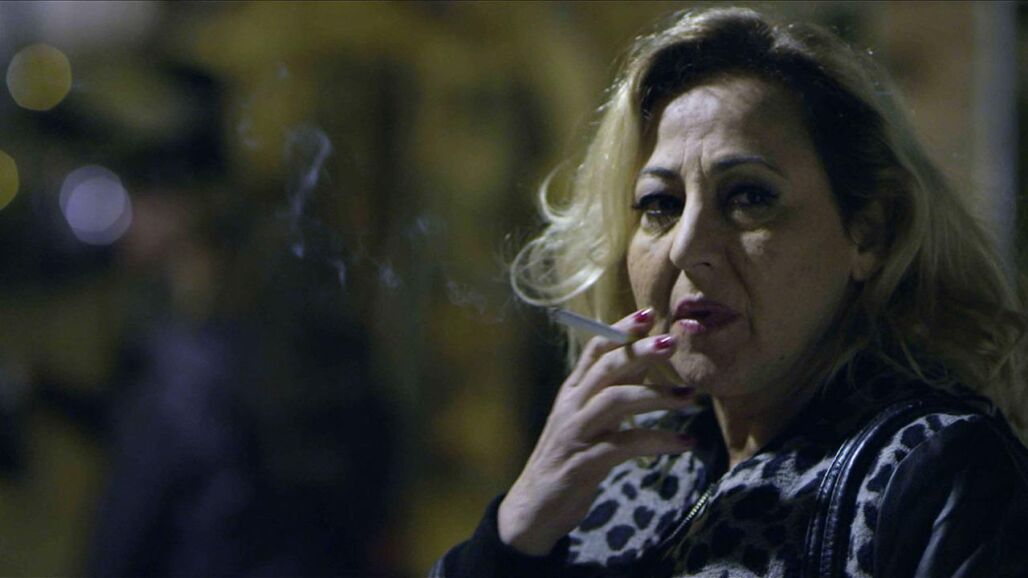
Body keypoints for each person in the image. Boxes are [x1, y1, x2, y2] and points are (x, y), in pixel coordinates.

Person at [431, 6, 1028, 578]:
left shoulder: (936, 470)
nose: (686, 247)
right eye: (660, 205)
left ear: (867, 232)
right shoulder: (622, 474)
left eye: (748, 197)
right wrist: (515, 534)